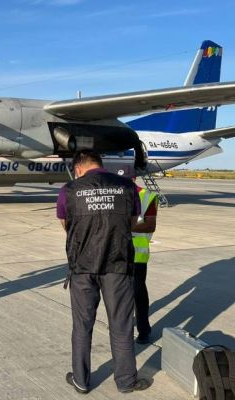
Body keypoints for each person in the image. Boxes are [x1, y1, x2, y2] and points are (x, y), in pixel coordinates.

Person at [56, 150, 151, 394]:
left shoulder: (69, 190)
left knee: (82, 326)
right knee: (120, 325)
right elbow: (132, 223)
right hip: (117, 264)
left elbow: (66, 225)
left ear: (78, 168)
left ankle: (81, 380)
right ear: (100, 164)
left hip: (82, 267)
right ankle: (127, 381)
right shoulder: (127, 188)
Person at [131, 178, 158, 345]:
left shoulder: (146, 195)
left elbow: (150, 226)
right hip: (115, 251)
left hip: (137, 253)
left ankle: (143, 330)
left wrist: (121, 226)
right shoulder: (115, 194)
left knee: (138, 292)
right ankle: (123, 325)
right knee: (117, 294)